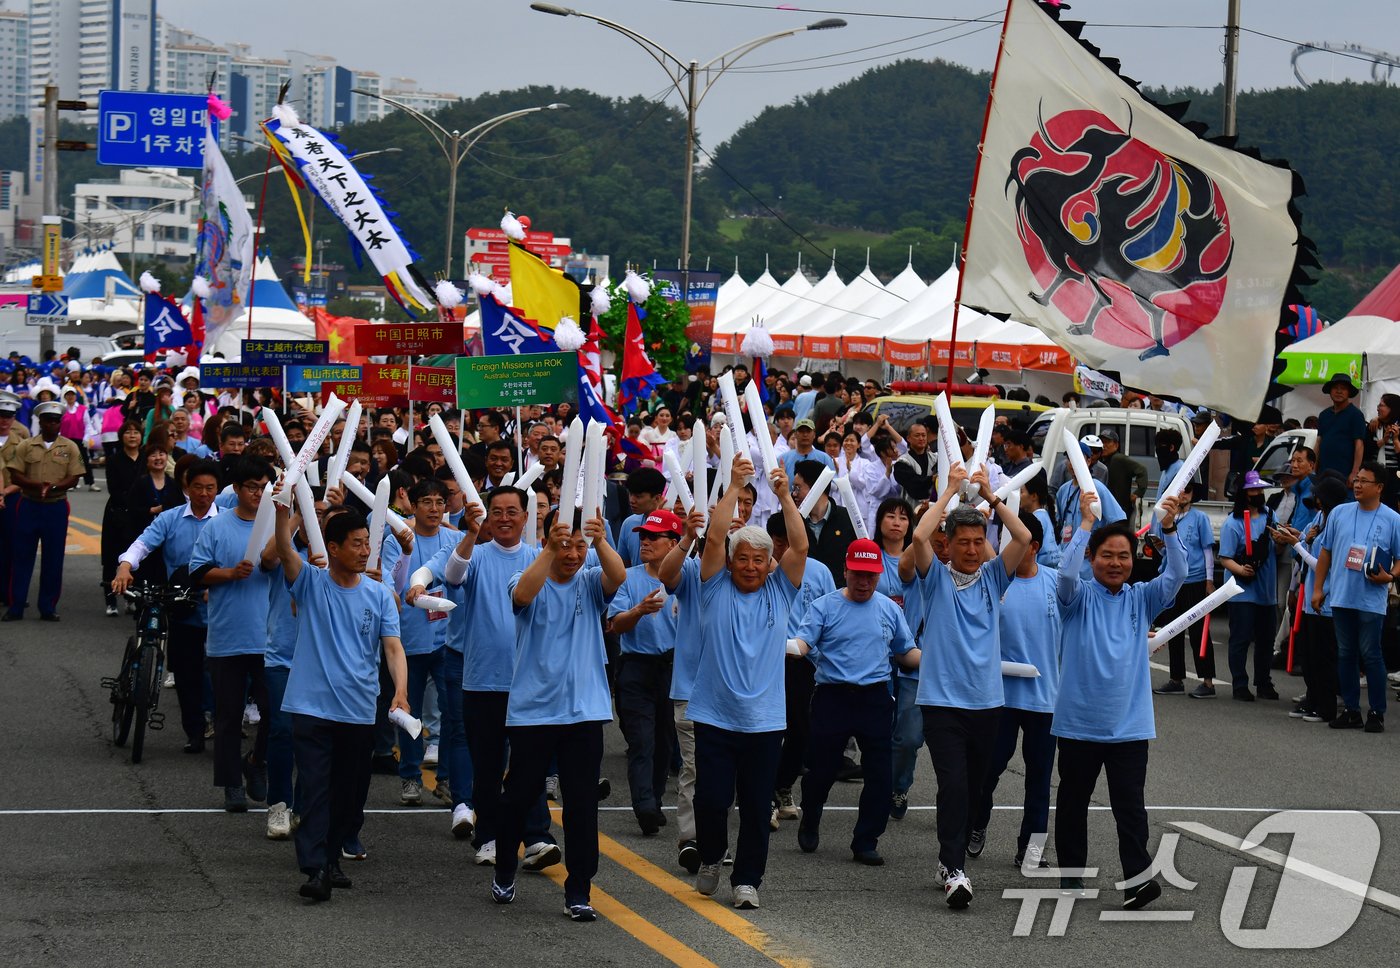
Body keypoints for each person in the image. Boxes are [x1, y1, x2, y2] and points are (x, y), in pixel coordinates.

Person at [899, 462, 1031, 909]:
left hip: (987, 703)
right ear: (948, 545)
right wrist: (953, 490)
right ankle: (955, 870)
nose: (972, 550)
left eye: (979, 542)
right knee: (953, 784)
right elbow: (918, 537)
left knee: (975, 788)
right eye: (963, 542)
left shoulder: (994, 579)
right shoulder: (934, 578)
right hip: (941, 703)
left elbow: (1025, 539)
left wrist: (991, 497)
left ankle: (947, 856)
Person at [491, 507, 625, 922]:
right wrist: (551, 548)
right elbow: (522, 596)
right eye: (564, 544)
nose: (573, 553)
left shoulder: (590, 581)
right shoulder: (529, 574)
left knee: (581, 805)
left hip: (584, 713)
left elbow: (618, 576)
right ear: (547, 541)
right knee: (518, 798)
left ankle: (579, 889)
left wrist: (599, 541)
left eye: (579, 546)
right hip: (534, 713)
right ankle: (505, 868)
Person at [414, 486, 559, 869]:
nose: (506, 518)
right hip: (482, 681)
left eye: (513, 511)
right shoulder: (475, 555)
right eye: (498, 512)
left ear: (527, 518)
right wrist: (471, 534)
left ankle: (537, 838)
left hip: (528, 683)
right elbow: (452, 574)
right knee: (489, 767)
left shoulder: (537, 558)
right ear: (487, 517)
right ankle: (490, 836)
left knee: (529, 767)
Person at [1054, 492, 1185, 910]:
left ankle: (1138, 880)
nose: (1116, 563)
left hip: (1128, 726)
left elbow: (1178, 574)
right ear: (1093, 557)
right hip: (1078, 724)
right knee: (1072, 803)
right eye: (1107, 556)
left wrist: (1168, 528)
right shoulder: (1077, 600)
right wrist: (1087, 524)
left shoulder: (1141, 598)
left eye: (1124, 556)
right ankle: (1072, 876)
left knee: (1131, 810)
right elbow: (1066, 575)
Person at [272, 500, 406, 903]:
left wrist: (400, 691)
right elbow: (282, 548)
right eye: (357, 544)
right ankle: (314, 869)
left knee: (348, 792)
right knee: (314, 788)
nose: (365, 551)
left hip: (359, 709)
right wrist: (283, 510)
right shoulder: (311, 583)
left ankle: (331, 858)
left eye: (367, 543)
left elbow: (394, 648)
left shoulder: (380, 594)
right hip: (311, 708)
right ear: (333, 547)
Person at [689, 456, 806, 910]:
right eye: (744, 559)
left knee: (758, 808)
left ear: (769, 563)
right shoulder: (714, 586)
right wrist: (736, 485)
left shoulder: (781, 590)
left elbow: (800, 544)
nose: (752, 566)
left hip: (764, 722)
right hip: (715, 717)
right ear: (731, 562)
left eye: (760, 560)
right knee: (712, 800)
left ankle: (748, 880)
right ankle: (712, 856)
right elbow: (715, 534)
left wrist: (783, 496)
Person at [788, 539, 918, 866]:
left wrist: (939, 659)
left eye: (871, 576)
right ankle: (811, 816)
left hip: (874, 697)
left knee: (880, 774)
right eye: (857, 574)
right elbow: (803, 643)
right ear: (845, 571)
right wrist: (790, 647)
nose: (864, 582)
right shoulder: (824, 606)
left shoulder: (889, 608)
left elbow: (905, 652)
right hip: (833, 696)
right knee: (821, 770)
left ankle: (866, 840)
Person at [968, 510, 1060, 870]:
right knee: (987, 770)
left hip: (1044, 699)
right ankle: (976, 823)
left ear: (1033, 545)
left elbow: (1090, 615)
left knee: (1039, 781)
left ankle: (1031, 849)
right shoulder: (995, 582)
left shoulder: (1055, 583)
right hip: (1000, 697)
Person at [112, 460, 223, 753]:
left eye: (210, 488)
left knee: (216, 672)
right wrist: (125, 565)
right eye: (197, 487)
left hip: (220, 609)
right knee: (186, 673)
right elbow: (143, 544)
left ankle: (220, 724)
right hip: (181, 603)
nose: (203, 493)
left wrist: (218, 587)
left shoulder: (226, 520)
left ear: (218, 490)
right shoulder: (171, 518)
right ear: (187, 488)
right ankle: (195, 732)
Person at [189, 455, 277, 812]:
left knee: (274, 711)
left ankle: (256, 762)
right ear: (237, 489)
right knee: (228, 716)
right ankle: (230, 785)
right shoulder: (216, 526)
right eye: (251, 487)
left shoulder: (275, 526)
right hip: (227, 638)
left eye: (264, 487)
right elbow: (197, 572)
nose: (258, 493)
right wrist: (229, 574)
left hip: (269, 639)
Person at [380, 479, 458, 807]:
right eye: (427, 501)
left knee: (453, 711)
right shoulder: (397, 539)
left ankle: (448, 778)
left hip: (446, 640)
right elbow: (386, 585)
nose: (435, 508)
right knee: (408, 711)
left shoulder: (455, 539)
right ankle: (411, 776)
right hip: (407, 640)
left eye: (440, 502)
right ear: (412, 504)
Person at [609, 509, 685, 836]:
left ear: (674, 543)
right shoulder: (629, 577)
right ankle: (644, 807)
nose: (645, 542)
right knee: (641, 740)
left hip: (672, 668)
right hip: (636, 667)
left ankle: (652, 798)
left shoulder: (686, 579)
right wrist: (639, 610)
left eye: (654, 537)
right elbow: (614, 624)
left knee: (665, 743)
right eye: (643, 536)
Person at [1312, 461, 1400, 732]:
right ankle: (1351, 709)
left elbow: (1399, 559)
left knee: (1371, 654)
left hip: (1371, 599)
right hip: (1341, 596)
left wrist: (1391, 577)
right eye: (1357, 480)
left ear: (1380, 488)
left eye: (1364, 481)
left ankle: (1376, 711)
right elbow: (1325, 552)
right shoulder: (1339, 512)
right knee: (1346, 653)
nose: (1358, 485)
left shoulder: (1393, 519)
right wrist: (1318, 589)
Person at [3, 401, 84, 622]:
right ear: (40, 422)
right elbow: (15, 473)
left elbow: (75, 476)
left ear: (60, 423)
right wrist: (35, 486)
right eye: (48, 420)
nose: (52, 424)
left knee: (54, 558)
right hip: (28, 504)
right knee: (21, 556)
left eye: (56, 421)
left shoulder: (70, 447)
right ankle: (16, 605)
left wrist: (55, 487)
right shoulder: (26, 445)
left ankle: (47, 607)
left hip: (56, 506)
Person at [1281, 475, 1349, 724]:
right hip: (1310, 599)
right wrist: (1299, 537)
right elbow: (1309, 546)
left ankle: (1326, 707)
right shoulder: (1320, 518)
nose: (1315, 498)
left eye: (1319, 494)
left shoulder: (1336, 524)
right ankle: (1313, 700)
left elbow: (1323, 564)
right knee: (1309, 656)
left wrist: (1296, 545)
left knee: (1324, 658)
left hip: (1326, 601)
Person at [1151, 483, 1219, 698]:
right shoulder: (1169, 518)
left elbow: (1207, 550)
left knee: (1199, 631)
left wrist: (1209, 580)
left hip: (1196, 578)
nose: (1182, 496)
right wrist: (1161, 547)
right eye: (1180, 492)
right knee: (1173, 630)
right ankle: (1176, 678)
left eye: (1187, 492)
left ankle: (1208, 682)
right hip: (1173, 580)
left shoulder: (1199, 518)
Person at [1218, 470, 1280, 702]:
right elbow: (1225, 557)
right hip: (1241, 592)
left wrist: (1282, 543)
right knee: (1241, 638)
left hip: (1266, 591)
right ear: (1243, 493)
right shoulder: (1233, 523)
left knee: (1265, 640)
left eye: (1260, 489)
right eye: (1254, 489)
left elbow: (1278, 549)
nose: (1258, 493)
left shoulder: (1270, 517)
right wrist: (1240, 569)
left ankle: (1263, 682)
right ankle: (1239, 684)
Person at [100, 420, 145, 615]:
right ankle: (111, 601)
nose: (132, 435)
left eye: (136, 432)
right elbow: (114, 490)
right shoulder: (114, 460)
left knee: (136, 559)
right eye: (128, 432)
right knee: (112, 559)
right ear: (121, 436)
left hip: (140, 515)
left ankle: (131, 598)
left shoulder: (146, 459)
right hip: (117, 514)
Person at [791, 459, 857, 586]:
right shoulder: (792, 521)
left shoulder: (847, 519)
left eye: (798, 488)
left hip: (838, 595)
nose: (794, 493)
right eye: (793, 488)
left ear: (817, 487)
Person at [1316, 374, 1367, 483]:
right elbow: (1318, 443)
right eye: (1335, 388)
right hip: (1322, 473)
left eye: (1343, 388)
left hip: (1344, 473)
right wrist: (1312, 469)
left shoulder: (1356, 415)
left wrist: (1355, 472)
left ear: (1348, 392)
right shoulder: (1324, 415)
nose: (1339, 391)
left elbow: (1359, 445)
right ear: (1330, 391)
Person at [1099, 430, 1147, 519]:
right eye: (1102, 442)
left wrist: (1138, 493)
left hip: (1119, 511)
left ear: (1116, 445)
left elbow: (1142, 470)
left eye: (1107, 442)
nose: (1104, 445)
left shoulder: (1118, 459)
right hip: (1109, 511)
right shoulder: (1103, 462)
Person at [892, 421, 936, 503]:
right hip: (910, 508)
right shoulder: (902, 462)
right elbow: (913, 482)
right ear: (908, 438)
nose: (921, 438)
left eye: (924, 435)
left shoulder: (935, 458)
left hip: (932, 508)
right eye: (917, 435)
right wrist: (932, 479)